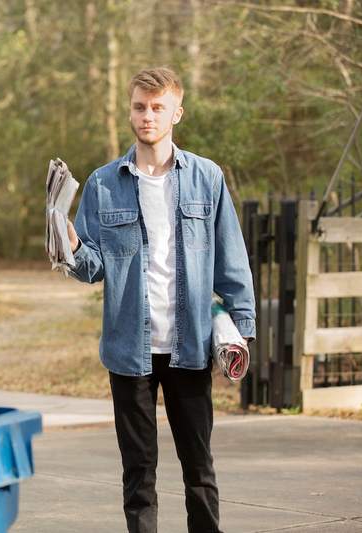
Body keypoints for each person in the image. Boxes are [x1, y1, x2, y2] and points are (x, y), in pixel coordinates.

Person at [65, 67, 255, 533]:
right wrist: (68, 244)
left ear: (176, 112)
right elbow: (93, 268)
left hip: (190, 345)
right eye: (139, 107)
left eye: (157, 107)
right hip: (130, 350)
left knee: (199, 470)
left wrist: (242, 330)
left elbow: (232, 260)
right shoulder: (102, 183)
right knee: (138, 474)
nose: (147, 116)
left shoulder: (206, 178)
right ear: (129, 110)